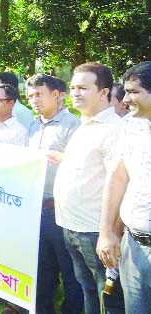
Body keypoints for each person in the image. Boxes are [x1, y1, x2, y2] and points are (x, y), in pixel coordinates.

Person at [53, 62, 125, 314]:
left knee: (109, 300)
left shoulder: (114, 130)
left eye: (83, 88)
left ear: (104, 92)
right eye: (73, 87)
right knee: (89, 292)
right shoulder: (85, 124)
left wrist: (109, 234)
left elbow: (119, 184)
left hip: (95, 233)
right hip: (70, 226)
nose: (75, 93)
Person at [26, 74, 83, 314]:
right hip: (34, 208)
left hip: (61, 210)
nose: (34, 100)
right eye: (30, 96)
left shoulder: (74, 126)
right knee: (41, 268)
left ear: (57, 95)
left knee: (70, 271)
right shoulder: (33, 125)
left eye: (39, 94)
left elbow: (82, 167)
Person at [97, 61, 151, 313]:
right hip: (133, 245)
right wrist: (107, 232)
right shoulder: (130, 124)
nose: (125, 99)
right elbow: (117, 178)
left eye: (133, 92)